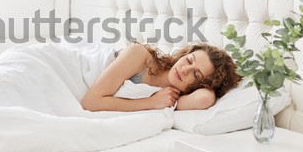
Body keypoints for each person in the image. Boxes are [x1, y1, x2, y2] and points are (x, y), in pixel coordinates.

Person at [81, 42, 241, 112]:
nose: (185, 69)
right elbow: (90, 102)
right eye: (189, 60)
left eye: (195, 74)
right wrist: (150, 103)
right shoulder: (140, 55)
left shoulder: (171, 98)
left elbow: (204, 99)